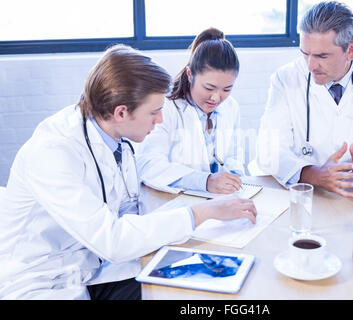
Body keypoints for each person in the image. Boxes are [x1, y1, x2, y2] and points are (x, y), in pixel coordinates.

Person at [0, 44, 257, 300]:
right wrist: (203, 213)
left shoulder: (114, 138)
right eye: (154, 112)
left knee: (196, 290)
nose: (160, 120)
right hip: (42, 282)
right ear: (121, 112)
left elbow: (127, 211)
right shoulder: (54, 152)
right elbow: (112, 239)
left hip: (93, 269)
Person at [254, 1, 353, 198]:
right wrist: (314, 174)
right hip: (309, 194)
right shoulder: (285, 78)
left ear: (352, 49)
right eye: (305, 54)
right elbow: (268, 149)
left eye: (322, 56)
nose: (311, 65)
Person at [136, 28, 244, 195]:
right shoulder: (167, 108)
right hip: (173, 202)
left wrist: (234, 178)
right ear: (190, 74)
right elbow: (149, 165)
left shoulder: (231, 107)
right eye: (209, 87)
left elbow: (233, 157)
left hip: (218, 201)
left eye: (226, 89)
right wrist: (205, 181)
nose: (216, 98)